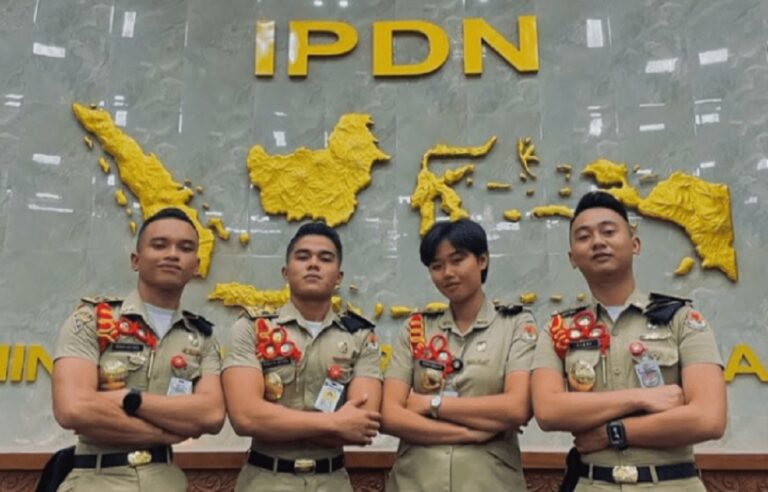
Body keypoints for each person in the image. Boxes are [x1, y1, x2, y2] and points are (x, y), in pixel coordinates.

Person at [531, 191, 726, 491]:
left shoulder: (682, 320)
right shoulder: (559, 329)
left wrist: (615, 432)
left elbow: (709, 418)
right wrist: (640, 398)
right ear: (572, 258)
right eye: (584, 237)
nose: (598, 242)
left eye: (609, 232)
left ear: (635, 245)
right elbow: (548, 410)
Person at [48, 207, 225, 492]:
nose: (172, 254)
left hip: (166, 482)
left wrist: (129, 399)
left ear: (196, 265)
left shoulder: (202, 336)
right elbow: (73, 408)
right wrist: (164, 434)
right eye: (160, 245)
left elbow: (211, 414)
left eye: (185, 248)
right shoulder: (92, 320)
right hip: (96, 480)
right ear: (136, 260)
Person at [222, 222, 382, 492]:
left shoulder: (360, 335)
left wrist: (275, 422)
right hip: (265, 481)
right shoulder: (252, 328)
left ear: (339, 277)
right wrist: (335, 422)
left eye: (325, 258)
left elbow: (361, 425)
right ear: (286, 273)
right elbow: (246, 417)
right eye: (303, 257)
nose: (313, 264)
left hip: (332, 483)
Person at [382, 219, 537, 491]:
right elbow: (390, 415)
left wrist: (430, 403)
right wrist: (470, 433)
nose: (448, 273)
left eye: (457, 260)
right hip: (417, 481)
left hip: (489, 482)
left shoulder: (515, 325)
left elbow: (516, 408)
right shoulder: (416, 328)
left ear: (482, 260)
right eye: (437, 266)